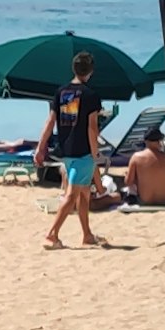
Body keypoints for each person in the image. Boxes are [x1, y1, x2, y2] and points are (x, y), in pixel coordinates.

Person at [42, 52, 110, 249]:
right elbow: (92, 127)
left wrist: (41, 146)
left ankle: (87, 234)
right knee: (72, 194)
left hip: (67, 150)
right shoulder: (91, 95)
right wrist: (95, 152)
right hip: (83, 152)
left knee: (85, 194)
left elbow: (50, 122)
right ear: (91, 72)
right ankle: (51, 235)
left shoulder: (61, 92)